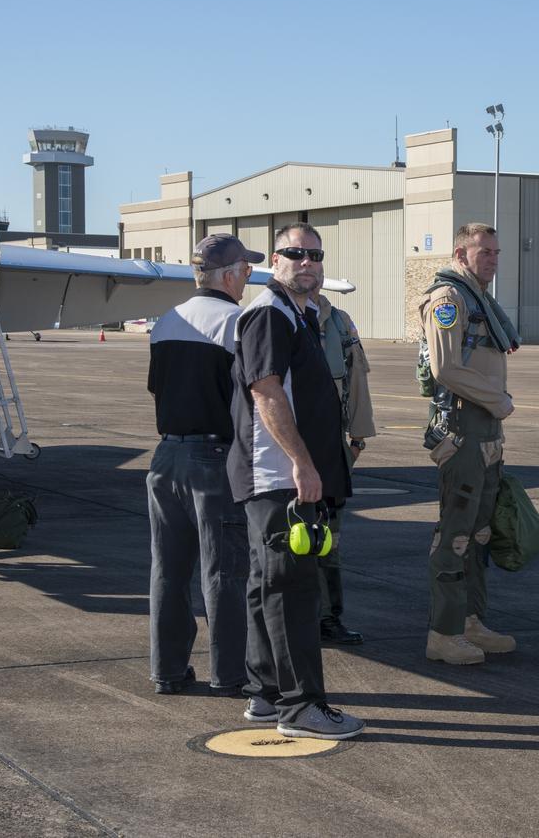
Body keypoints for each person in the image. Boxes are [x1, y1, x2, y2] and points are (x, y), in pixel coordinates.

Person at [228, 222, 364, 740]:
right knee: (292, 590)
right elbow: (265, 392)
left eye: (315, 254)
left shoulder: (296, 314)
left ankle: (266, 696)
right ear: (275, 261)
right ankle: (302, 707)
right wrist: (304, 464)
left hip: (284, 476)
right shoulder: (269, 314)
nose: (307, 262)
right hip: (280, 478)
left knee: (269, 584)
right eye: (295, 253)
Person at [145, 234, 255, 697]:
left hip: (165, 457)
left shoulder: (166, 322)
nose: (248, 278)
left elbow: (157, 389)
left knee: (168, 570)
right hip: (213, 459)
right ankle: (229, 674)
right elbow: (249, 399)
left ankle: (167, 670)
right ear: (228, 275)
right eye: (246, 271)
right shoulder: (237, 323)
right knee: (223, 570)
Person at [419, 222, 521, 665]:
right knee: (456, 535)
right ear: (461, 254)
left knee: (479, 533)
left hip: (487, 432)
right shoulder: (449, 299)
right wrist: (497, 399)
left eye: (497, 252)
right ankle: (443, 632)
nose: (494, 260)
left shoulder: (479, 299)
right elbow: (444, 368)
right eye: (485, 253)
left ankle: (470, 621)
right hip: (463, 430)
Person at [312, 280, 376, 645]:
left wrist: (357, 441)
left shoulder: (338, 322)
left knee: (328, 541)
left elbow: (357, 379)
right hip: (286, 453)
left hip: (332, 453)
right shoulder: (271, 318)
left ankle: (328, 619)